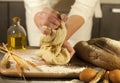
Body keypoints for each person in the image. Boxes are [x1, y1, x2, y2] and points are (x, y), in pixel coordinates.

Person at [24, 0, 102, 57]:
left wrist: (60, 38)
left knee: (75, 58)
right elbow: (35, 4)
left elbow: (84, 6)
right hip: (40, 13)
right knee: (40, 59)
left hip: (78, 19)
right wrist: (41, 17)